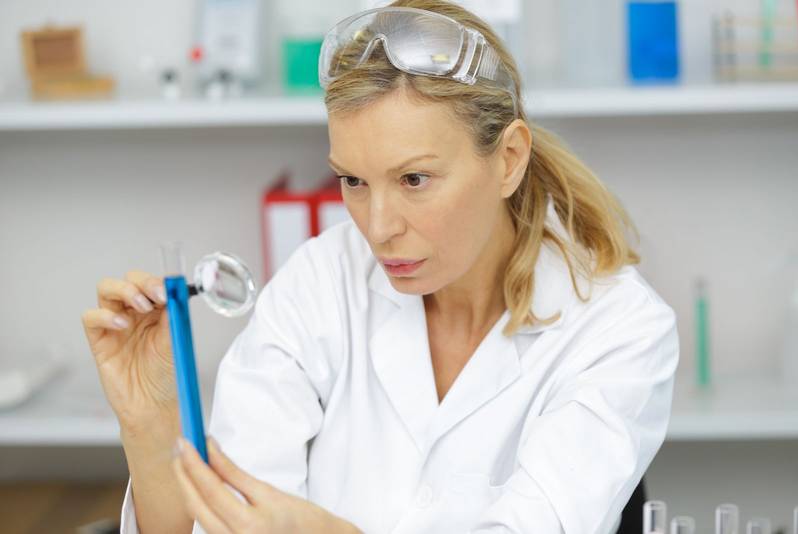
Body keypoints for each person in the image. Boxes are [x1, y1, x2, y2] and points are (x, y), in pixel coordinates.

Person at [81, 1, 679, 532]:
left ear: (509, 159)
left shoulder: (619, 329)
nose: (377, 226)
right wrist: (152, 429)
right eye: (353, 181)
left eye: (414, 179)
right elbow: (226, 522)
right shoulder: (320, 282)